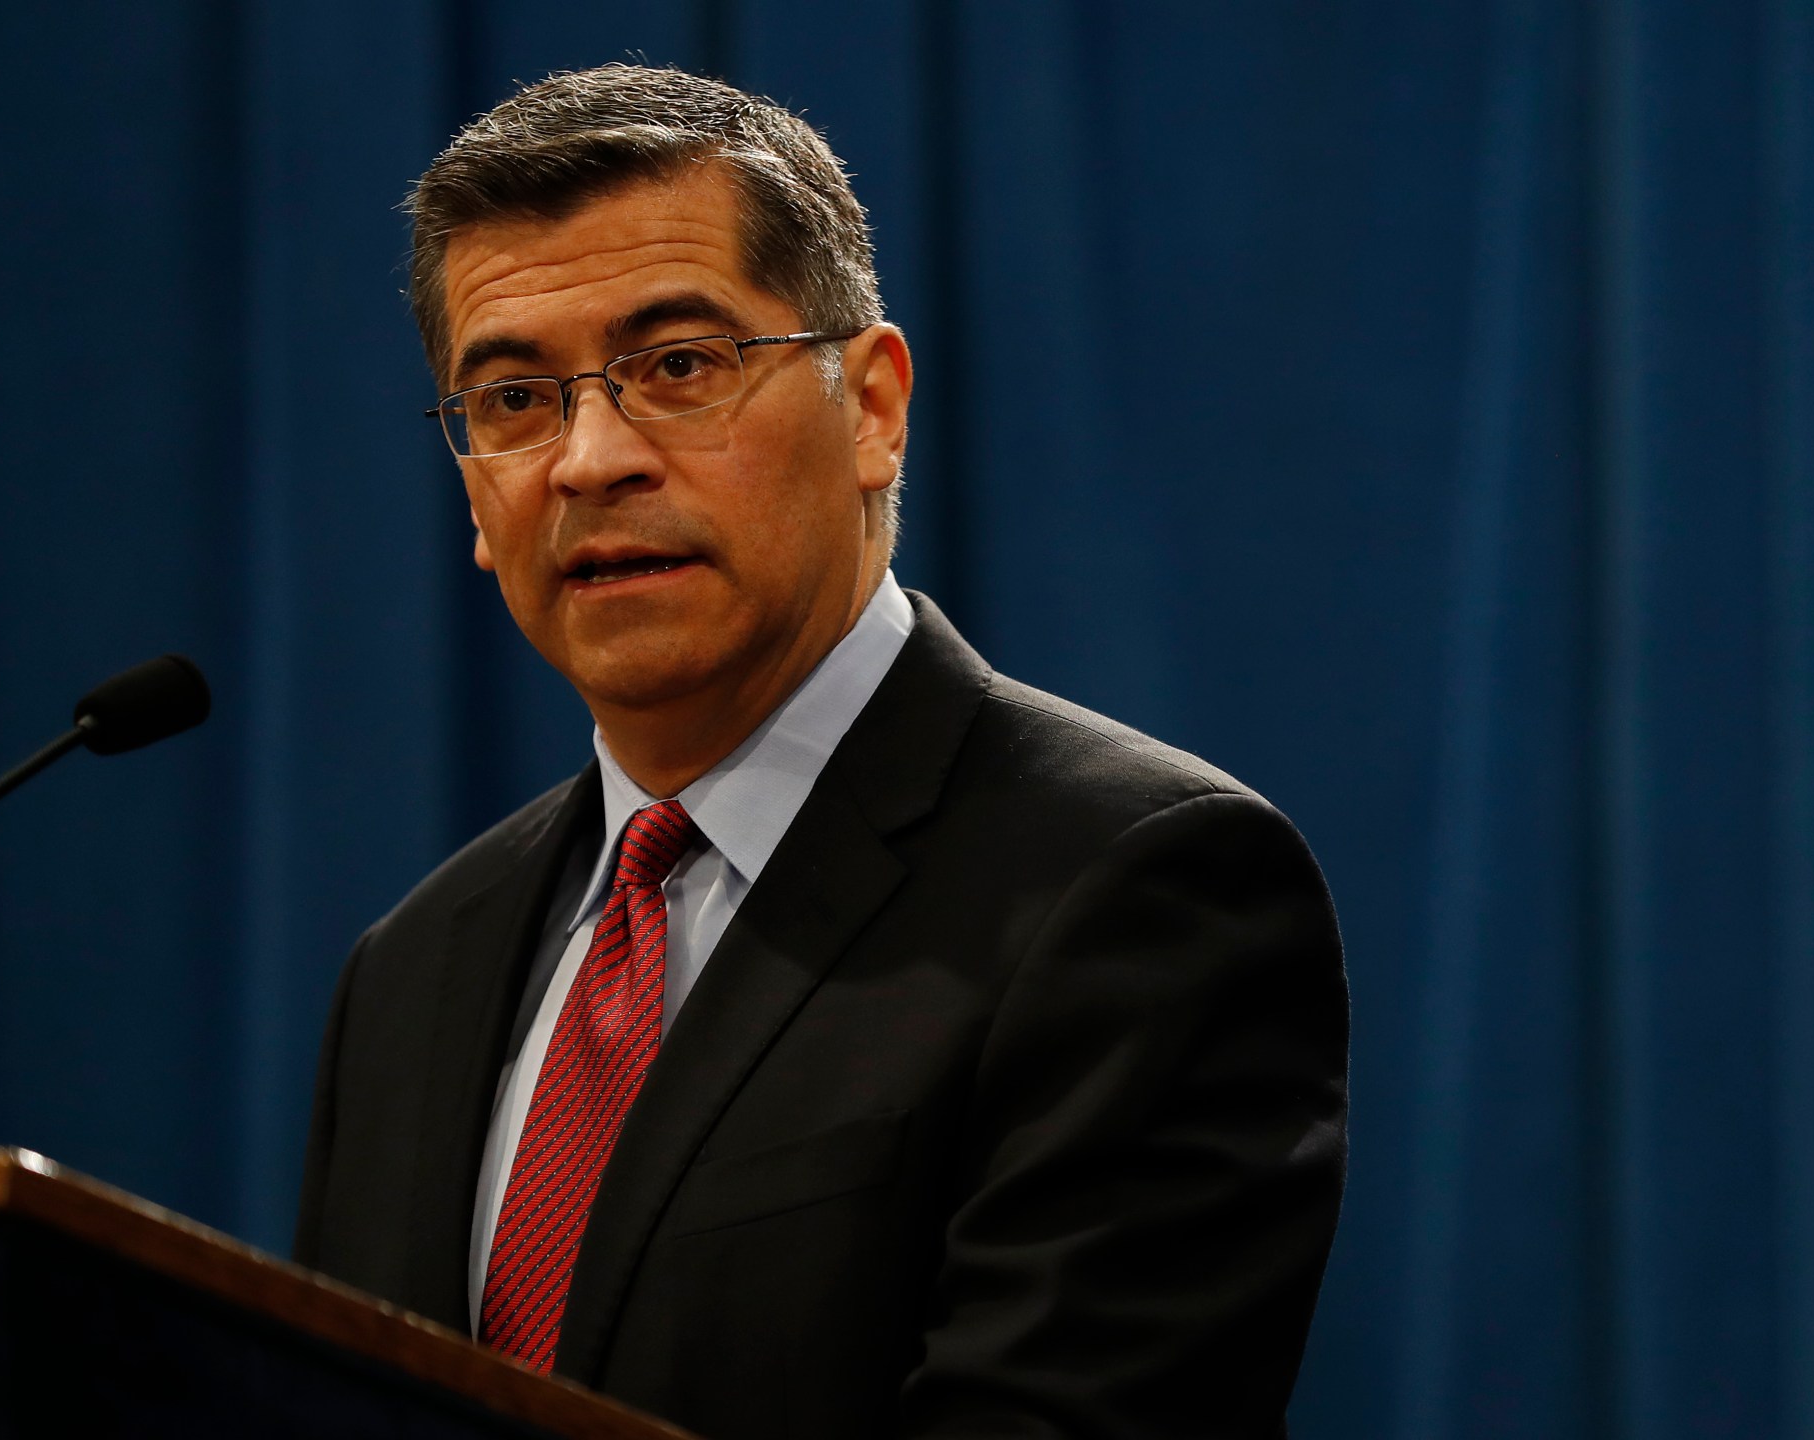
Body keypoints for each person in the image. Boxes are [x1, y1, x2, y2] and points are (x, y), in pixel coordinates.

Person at [293, 63, 1347, 1440]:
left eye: (678, 366)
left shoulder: (1134, 887)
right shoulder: (412, 971)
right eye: (511, 400)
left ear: (873, 408)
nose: (589, 458)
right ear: (475, 501)